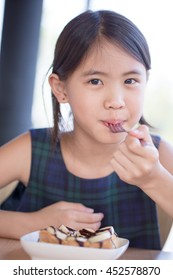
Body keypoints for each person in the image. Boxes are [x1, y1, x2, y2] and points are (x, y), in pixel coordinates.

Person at [0, 10, 173, 250]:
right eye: (95, 81)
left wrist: (155, 179)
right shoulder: (31, 150)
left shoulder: (160, 155)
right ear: (61, 89)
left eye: (130, 81)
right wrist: (32, 223)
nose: (116, 100)